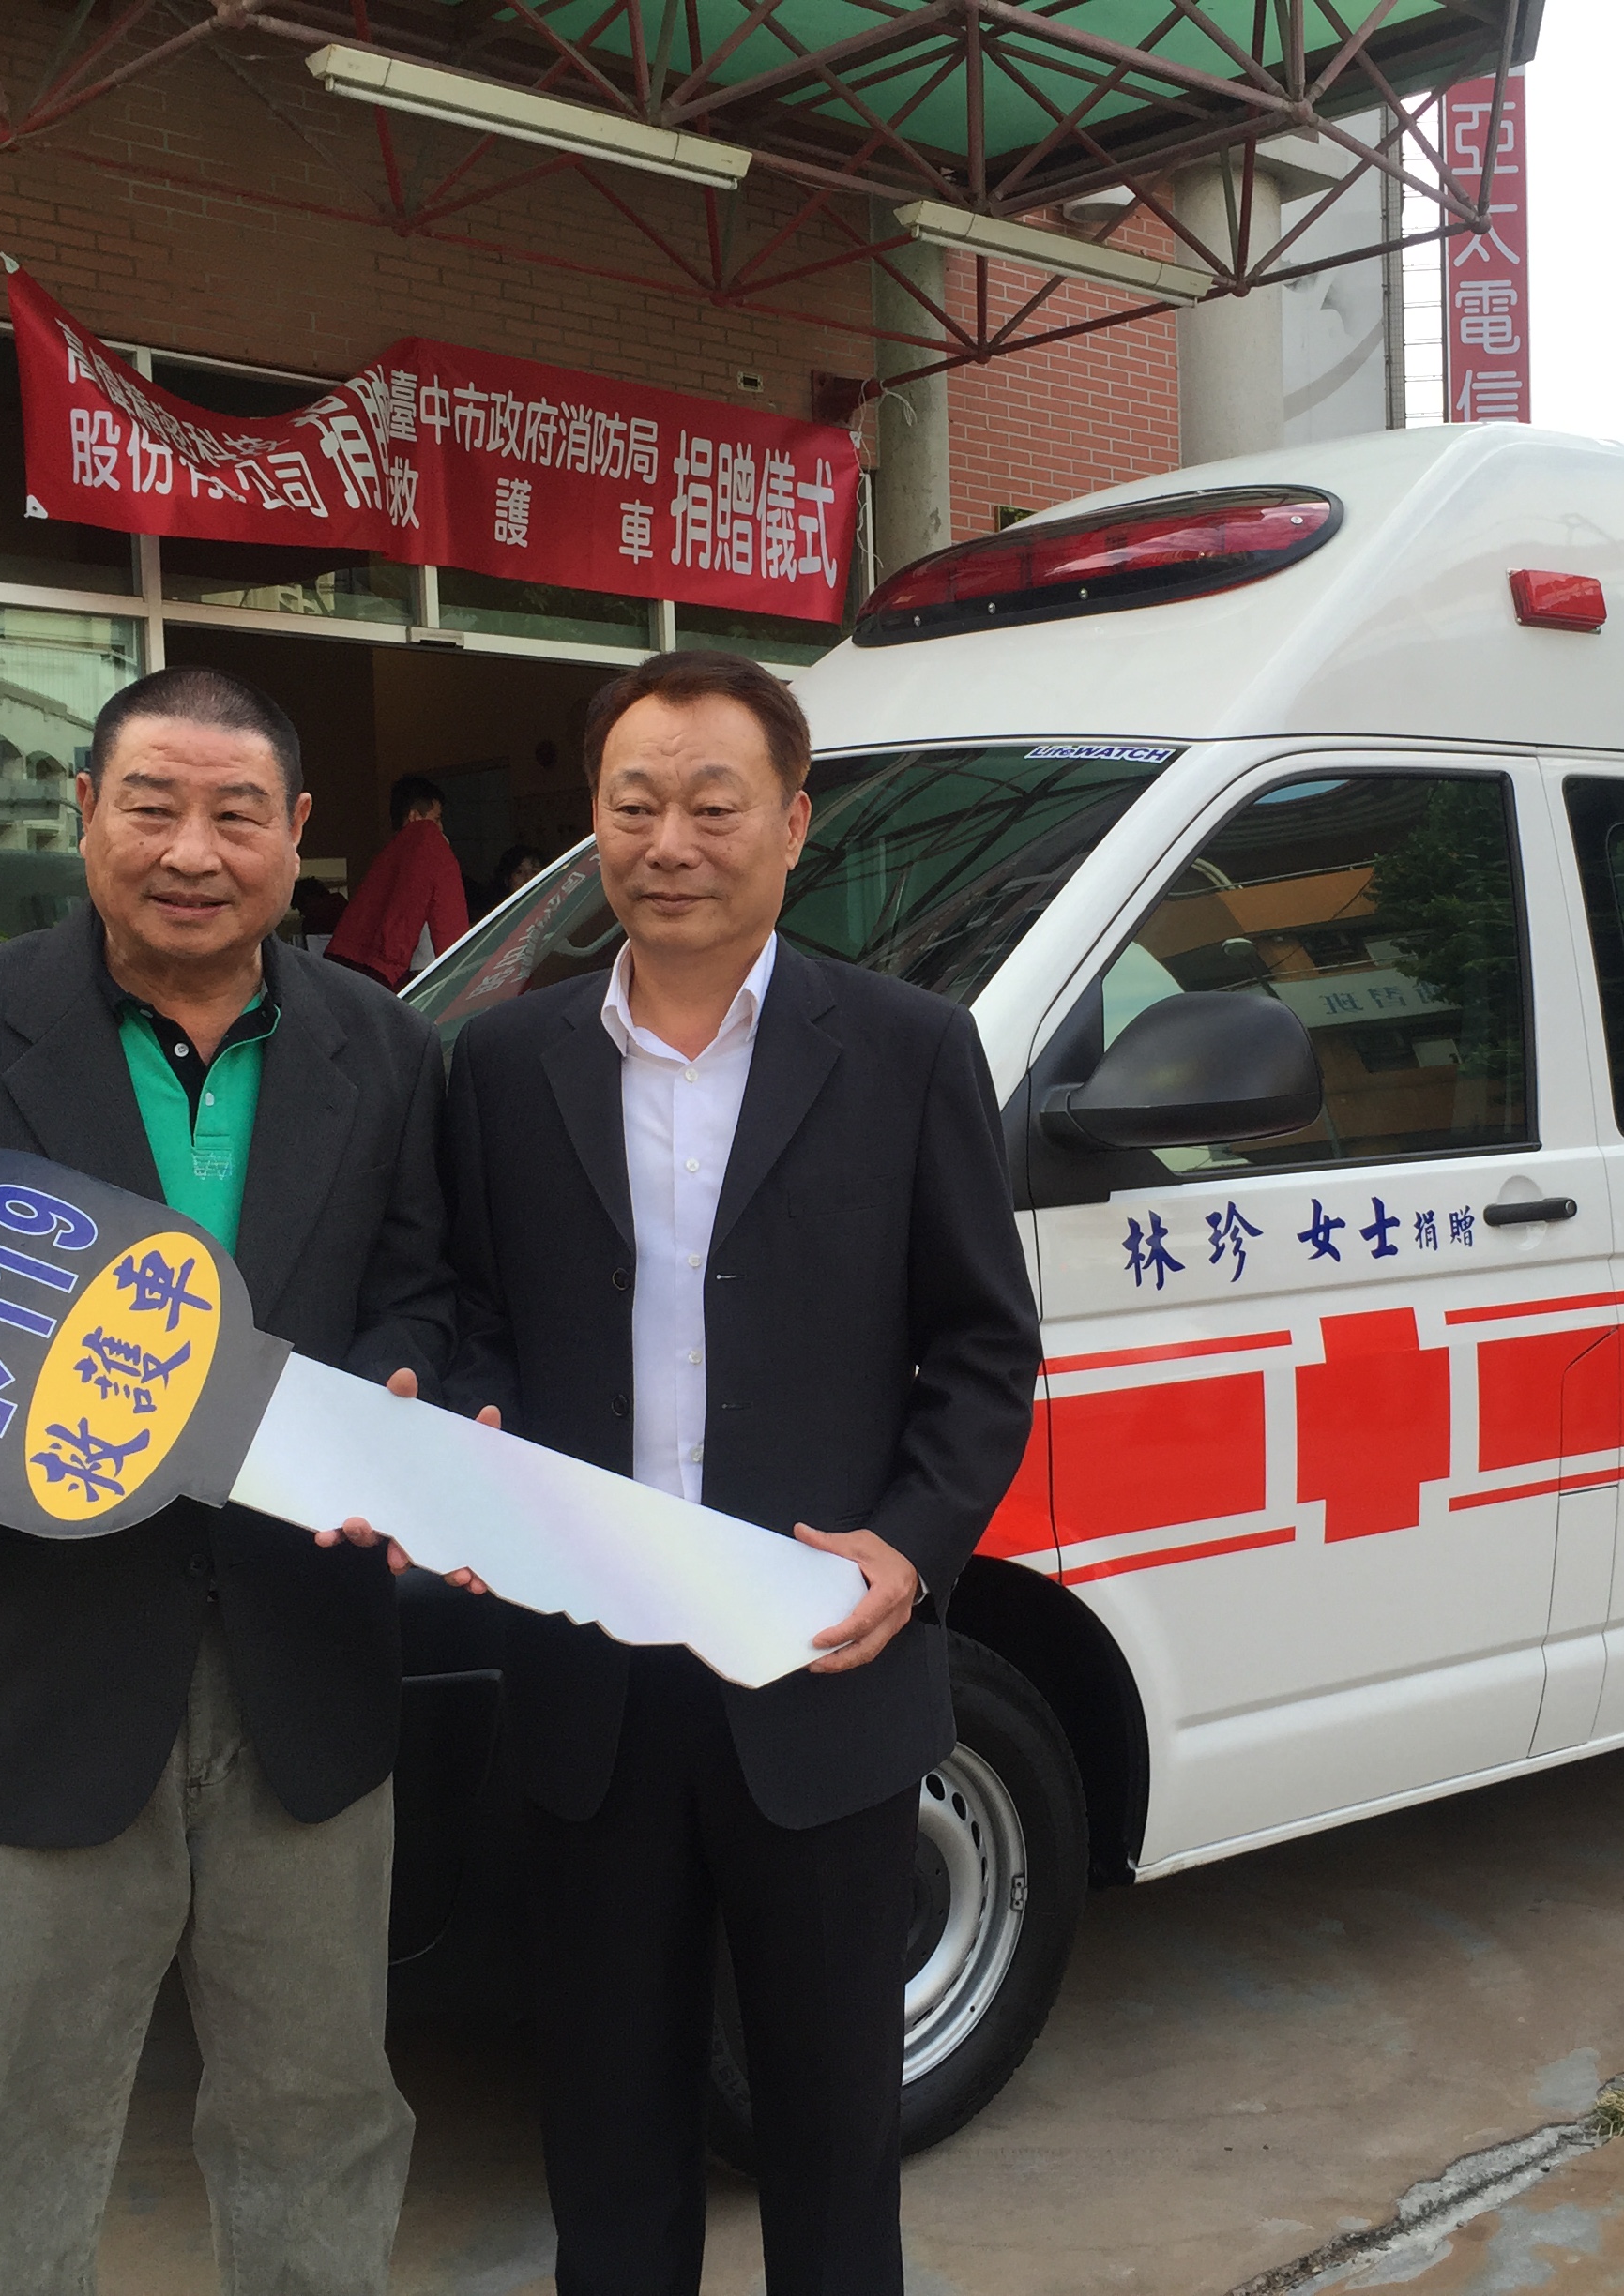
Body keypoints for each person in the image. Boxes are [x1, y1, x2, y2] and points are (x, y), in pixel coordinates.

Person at [0, 664, 452, 2295]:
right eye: (151, 805)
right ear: (84, 814)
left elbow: (420, 1290)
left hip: (305, 1668)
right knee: (14, 2127)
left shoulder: (383, 1044)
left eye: (236, 814)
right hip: (38, 1663)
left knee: (319, 2114)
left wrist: (407, 1388)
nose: (191, 851)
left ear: (297, 832)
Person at [435, 651, 1040, 2295]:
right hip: (591, 1680)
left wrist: (908, 1548)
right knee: (607, 2139)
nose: (670, 842)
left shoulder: (908, 1051)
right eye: (633, 804)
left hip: (820, 1674)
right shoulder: (505, 1065)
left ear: (791, 824)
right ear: (592, 824)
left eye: (713, 804)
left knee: (834, 2143)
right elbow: (472, 1316)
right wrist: (472, 1441)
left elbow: (984, 1348)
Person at [326, 772, 472, 989]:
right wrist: (461, 975)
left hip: (361, 970)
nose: (440, 827)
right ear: (414, 817)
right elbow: (449, 921)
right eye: (436, 818)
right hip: (408, 973)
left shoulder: (385, 857)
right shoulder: (428, 840)